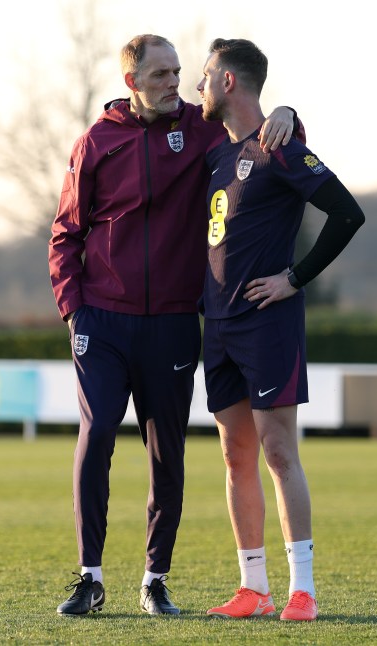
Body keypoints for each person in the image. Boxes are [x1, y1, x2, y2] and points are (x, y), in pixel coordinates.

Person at [48, 34, 303, 617]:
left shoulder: (201, 128)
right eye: (161, 74)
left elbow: (258, 135)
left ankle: (154, 580)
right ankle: (89, 577)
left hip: (172, 321)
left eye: (178, 72)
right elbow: (65, 234)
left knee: (167, 453)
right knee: (97, 435)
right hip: (102, 321)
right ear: (132, 82)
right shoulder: (96, 142)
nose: (174, 83)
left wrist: (290, 113)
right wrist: (74, 309)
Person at [195, 38, 366, 621]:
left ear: (229, 82)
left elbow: (347, 212)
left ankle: (303, 591)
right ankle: (254, 589)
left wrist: (295, 278)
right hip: (218, 324)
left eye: (205, 76)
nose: (197, 87)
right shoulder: (215, 153)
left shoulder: (281, 146)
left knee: (277, 451)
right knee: (234, 455)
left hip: (267, 323)